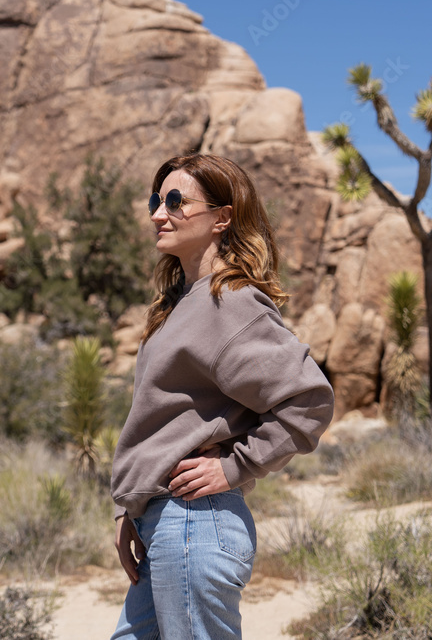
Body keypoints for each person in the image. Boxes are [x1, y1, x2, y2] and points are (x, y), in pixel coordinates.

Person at [110, 153, 334, 639]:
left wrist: (234, 466)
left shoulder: (228, 301)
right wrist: (133, 508)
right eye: (156, 199)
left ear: (222, 217)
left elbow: (308, 401)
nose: (157, 213)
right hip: (166, 523)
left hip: (192, 524)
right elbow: (167, 424)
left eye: (175, 201)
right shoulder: (181, 305)